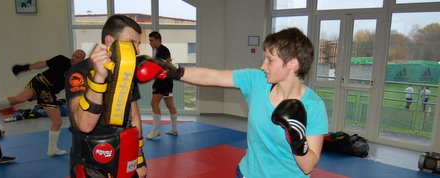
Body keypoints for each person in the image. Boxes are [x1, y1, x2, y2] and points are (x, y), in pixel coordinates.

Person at [136, 28, 328, 177]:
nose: (263, 66)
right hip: (248, 174)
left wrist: (297, 139)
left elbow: (307, 166)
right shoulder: (257, 80)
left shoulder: (314, 106)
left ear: (292, 64)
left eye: (270, 60)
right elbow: (211, 76)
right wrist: (169, 70)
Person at [65, 14, 147, 178]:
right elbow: (84, 124)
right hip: (91, 160)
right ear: (110, 41)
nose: (137, 50)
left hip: (124, 150)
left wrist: (139, 157)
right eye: (132, 43)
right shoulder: (78, 72)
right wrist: (99, 78)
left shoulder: (127, 70)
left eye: (138, 44)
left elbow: (134, 114)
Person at [0, 49, 86, 156]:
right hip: (40, 82)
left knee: (56, 121)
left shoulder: (77, 73)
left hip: (48, 90)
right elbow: (43, 64)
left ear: (82, 60)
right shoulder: (61, 59)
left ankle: (52, 149)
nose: (73, 58)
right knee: (19, 100)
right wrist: (26, 67)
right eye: (74, 55)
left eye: (77, 57)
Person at [146, 31, 179, 139]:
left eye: (151, 40)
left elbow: (164, 67)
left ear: (157, 40)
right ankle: (174, 130)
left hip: (162, 81)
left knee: (153, 103)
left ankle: (156, 131)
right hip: (168, 82)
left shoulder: (161, 51)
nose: (150, 43)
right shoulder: (163, 50)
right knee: (170, 105)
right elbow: (168, 64)